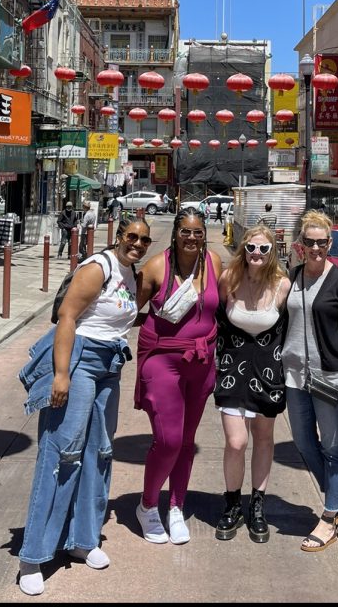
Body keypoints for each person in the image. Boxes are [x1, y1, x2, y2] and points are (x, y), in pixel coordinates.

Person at [17, 216, 152, 596]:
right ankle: (34, 555)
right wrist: (62, 375)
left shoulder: (129, 272)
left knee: (100, 451)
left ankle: (83, 539)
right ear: (118, 236)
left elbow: (121, 319)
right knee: (63, 452)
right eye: (132, 237)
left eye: (144, 240)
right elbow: (68, 317)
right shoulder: (99, 267)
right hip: (80, 361)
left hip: (110, 364)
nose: (138, 244)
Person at [134, 207, 222, 545]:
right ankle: (148, 504)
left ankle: (176, 505)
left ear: (204, 235)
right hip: (163, 361)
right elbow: (130, 309)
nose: (191, 237)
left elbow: (229, 301)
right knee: (168, 439)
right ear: (175, 233)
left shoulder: (212, 262)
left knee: (186, 441)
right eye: (185, 231)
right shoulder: (157, 266)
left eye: (198, 232)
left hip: (201, 361)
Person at [282, 209, 338, 553]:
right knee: (302, 442)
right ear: (301, 244)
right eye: (309, 241)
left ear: (330, 243)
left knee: (333, 447)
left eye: (321, 242)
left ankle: (329, 517)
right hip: (295, 376)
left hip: (329, 378)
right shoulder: (293, 275)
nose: (315, 247)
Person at [214, 225, 290, 543]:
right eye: (251, 249)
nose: (256, 255)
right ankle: (232, 503)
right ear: (243, 250)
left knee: (263, 439)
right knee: (236, 442)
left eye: (263, 250)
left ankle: (257, 506)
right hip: (233, 370)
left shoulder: (283, 285)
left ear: (272, 252)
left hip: (268, 374)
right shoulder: (228, 280)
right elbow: (214, 318)